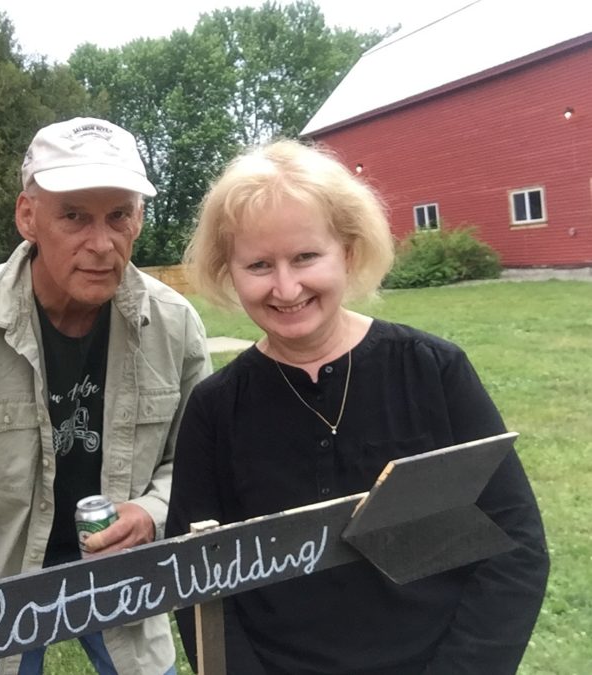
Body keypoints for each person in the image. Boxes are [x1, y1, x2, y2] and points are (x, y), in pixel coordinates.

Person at [165, 139, 549, 674]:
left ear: (346, 251)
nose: (286, 286)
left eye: (305, 257)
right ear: (229, 271)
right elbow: (197, 583)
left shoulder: (432, 371)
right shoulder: (215, 410)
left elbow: (516, 546)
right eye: (258, 264)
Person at [0, 117, 212, 675]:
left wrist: (152, 512)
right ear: (28, 217)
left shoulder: (175, 327)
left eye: (119, 216)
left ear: (138, 217)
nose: (102, 243)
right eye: (74, 216)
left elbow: (202, 459)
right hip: (1, 575)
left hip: (122, 569)